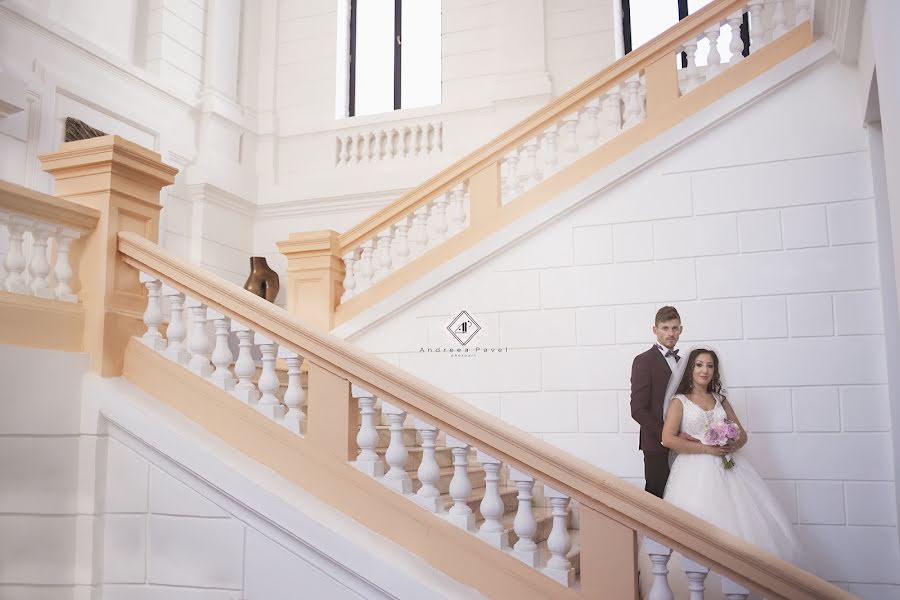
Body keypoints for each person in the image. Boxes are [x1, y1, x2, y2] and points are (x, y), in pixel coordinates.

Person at [661, 347, 800, 563]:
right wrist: (708, 448)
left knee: (744, 521)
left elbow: (742, 435)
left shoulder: (720, 399)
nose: (704, 370)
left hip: (729, 466)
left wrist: (728, 444)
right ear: (690, 369)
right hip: (693, 472)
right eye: (699, 365)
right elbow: (668, 439)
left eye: (709, 365)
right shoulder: (680, 401)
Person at [630, 306, 683, 498]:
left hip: (683, 445)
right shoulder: (643, 361)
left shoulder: (682, 361)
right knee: (656, 500)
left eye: (674, 328)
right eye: (665, 328)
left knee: (679, 497)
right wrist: (667, 434)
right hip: (655, 444)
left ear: (681, 330)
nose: (670, 333)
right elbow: (637, 409)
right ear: (655, 330)